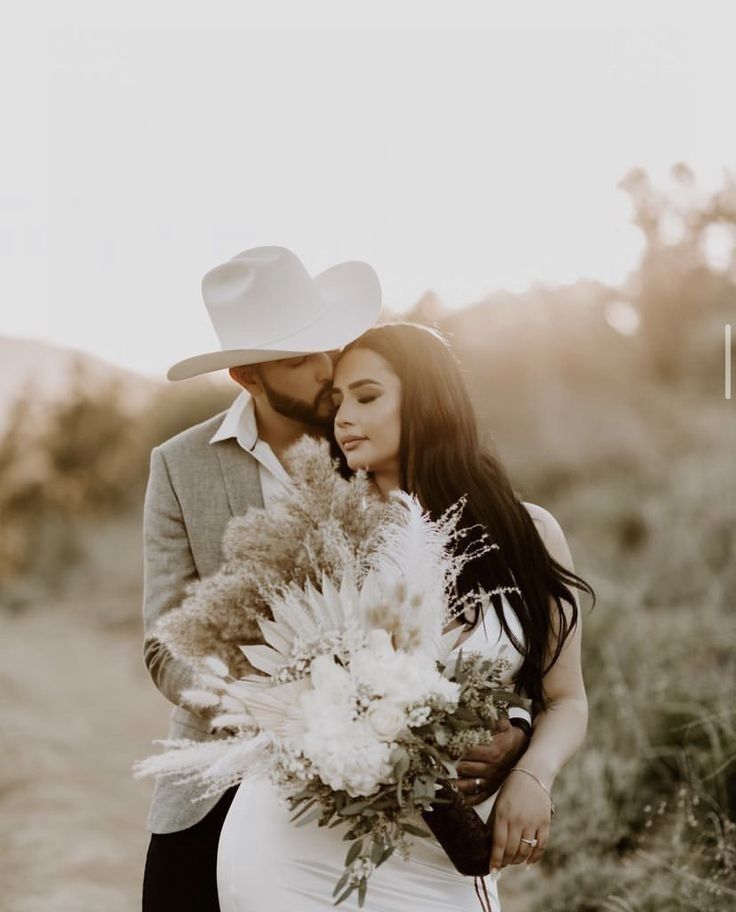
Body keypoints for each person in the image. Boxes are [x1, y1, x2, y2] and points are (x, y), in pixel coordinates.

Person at [141, 250, 531, 911]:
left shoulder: (381, 440)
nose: (327, 372)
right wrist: (276, 708)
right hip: (220, 772)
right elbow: (164, 644)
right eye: (297, 360)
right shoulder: (180, 467)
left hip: (392, 788)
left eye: (326, 346)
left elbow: (486, 611)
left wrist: (515, 721)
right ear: (247, 376)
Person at [216, 322, 594, 911]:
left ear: (428, 400)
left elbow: (566, 698)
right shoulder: (321, 537)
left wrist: (532, 773)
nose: (343, 417)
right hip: (298, 851)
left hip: (446, 855)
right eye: (336, 402)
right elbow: (271, 697)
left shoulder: (530, 533)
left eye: (367, 397)